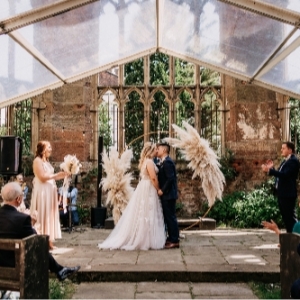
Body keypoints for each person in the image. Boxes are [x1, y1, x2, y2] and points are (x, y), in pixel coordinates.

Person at [0, 182, 80, 281]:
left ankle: (60, 270)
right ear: (18, 199)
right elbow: (37, 243)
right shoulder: (22, 219)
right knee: (39, 247)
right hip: (15, 266)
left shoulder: (20, 218)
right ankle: (59, 270)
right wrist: (32, 224)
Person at [98, 142, 165, 250]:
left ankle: (145, 237)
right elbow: (153, 178)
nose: (155, 152)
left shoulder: (145, 161)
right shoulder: (149, 162)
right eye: (154, 150)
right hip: (148, 187)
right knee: (148, 211)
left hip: (143, 186)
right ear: (150, 151)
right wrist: (158, 189)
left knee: (144, 212)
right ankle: (146, 239)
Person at [30, 140, 68, 249]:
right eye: (49, 147)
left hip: (49, 192)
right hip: (42, 192)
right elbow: (42, 177)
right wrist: (56, 174)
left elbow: (53, 176)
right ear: (43, 150)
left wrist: (64, 174)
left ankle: (49, 241)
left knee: (49, 216)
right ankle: (41, 240)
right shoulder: (37, 161)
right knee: (42, 214)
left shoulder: (46, 161)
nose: (51, 149)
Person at [261, 141, 300, 233]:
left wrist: (270, 170)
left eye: (283, 148)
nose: (281, 150)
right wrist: (272, 169)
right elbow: (280, 175)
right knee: (286, 219)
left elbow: (285, 175)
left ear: (290, 150)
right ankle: (289, 239)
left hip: (288, 194)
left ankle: (296, 238)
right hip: (282, 194)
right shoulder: (285, 161)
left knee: (291, 218)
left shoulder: (293, 161)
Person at [156, 142, 180, 249]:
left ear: (164, 150)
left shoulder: (168, 162)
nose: (157, 150)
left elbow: (171, 179)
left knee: (171, 217)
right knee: (168, 217)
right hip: (167, 195)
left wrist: (162, 190)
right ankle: (171, 238)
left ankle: (175, 240)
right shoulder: (163, 162)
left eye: (159, 148)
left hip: (168, 195)